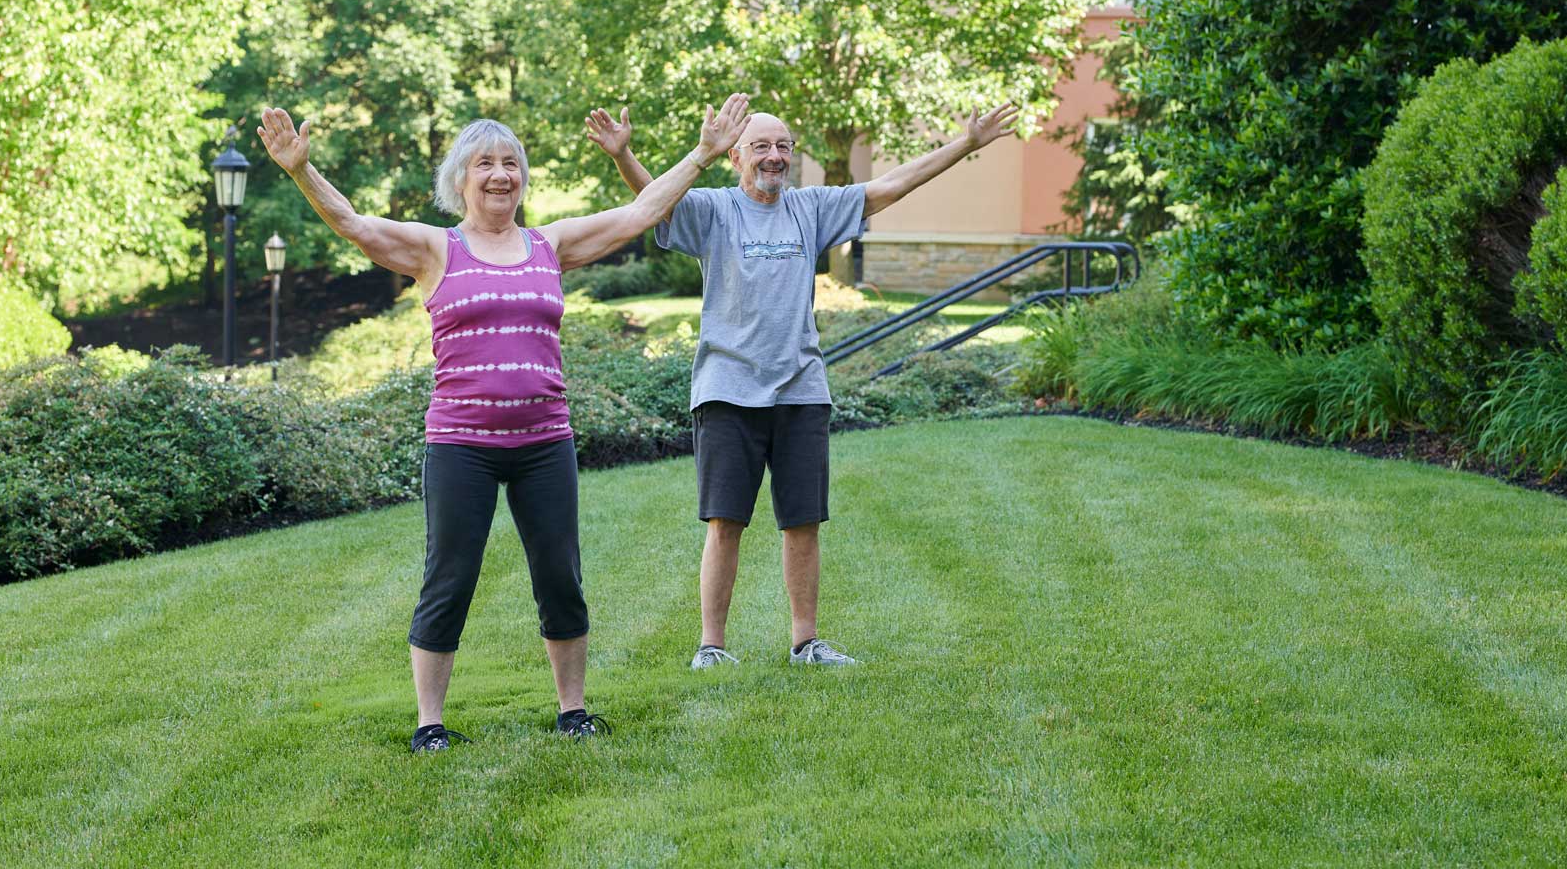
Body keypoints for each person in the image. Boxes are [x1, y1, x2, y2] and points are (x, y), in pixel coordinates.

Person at [257, 94, 751, 751]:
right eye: (485, 164)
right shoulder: (436, 248)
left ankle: (573, 711)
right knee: (450, 575)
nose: (500, 175)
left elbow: (639, 212)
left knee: (559, 574)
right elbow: (351, 222)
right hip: (461, 445)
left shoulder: (550, 244)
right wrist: (300, 170)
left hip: (544, 443)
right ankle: (429, 724)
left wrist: (703, 154)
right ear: (459, 179)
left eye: (511, 163)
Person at [585, 101, 1021, 668]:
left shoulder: (812, 208)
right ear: (736, 155)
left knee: (803, 522)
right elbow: (651, 206)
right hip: (727, 390)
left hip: (801, 389)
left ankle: (805, 642)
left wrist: (966, 143)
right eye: (761, 146)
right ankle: (711, 646)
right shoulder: (714, 210)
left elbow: (892, 185)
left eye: (784, 146)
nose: (774, 156)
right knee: (725, 523)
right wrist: (623, 155)